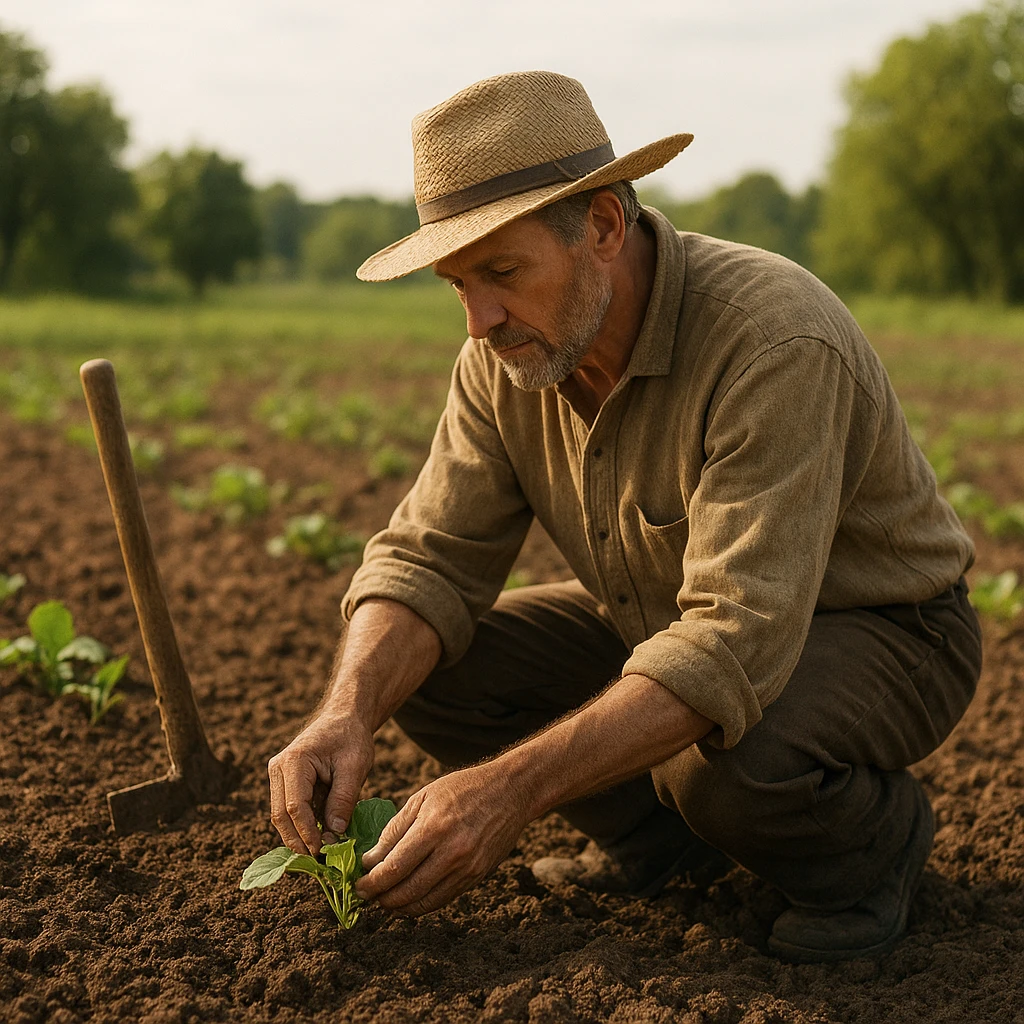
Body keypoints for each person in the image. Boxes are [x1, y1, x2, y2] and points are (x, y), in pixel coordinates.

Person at [268, 70, 982, 963]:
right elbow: (430, 560)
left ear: (603, 226)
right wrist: (347, 711)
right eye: (457, 284)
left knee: (720, 766)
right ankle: (664, 849)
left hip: (885, 628)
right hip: (663, 621)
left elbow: (730, 643)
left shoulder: (772, 339)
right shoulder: (507, 356)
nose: (479, 319)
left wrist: (508, 792)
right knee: (431, 668)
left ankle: (870, 855)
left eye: (501, 272)